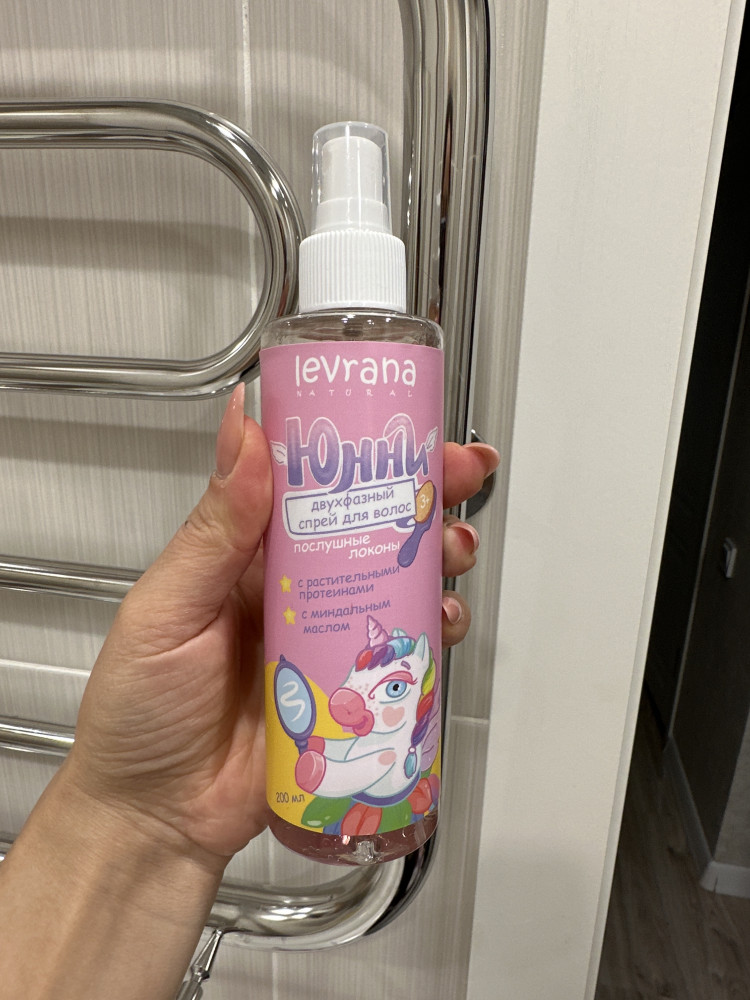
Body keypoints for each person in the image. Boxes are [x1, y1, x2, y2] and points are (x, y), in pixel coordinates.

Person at [0, 385, 498, 1000]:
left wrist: (140, 821)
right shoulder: (296, 350)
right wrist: (136, 812)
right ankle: (326, 769)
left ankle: (331, 769)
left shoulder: (416, 350)